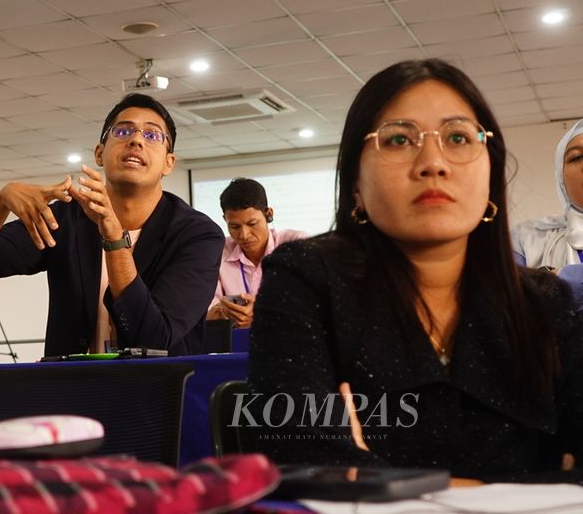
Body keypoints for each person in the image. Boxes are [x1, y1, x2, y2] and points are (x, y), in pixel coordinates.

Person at [248, 59, 583, 482]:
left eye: (458, 137)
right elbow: (298, 453)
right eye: (399, 140)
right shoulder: (305, 281)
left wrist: (379, 478)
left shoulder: (547, 305)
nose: (433, 163)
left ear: (491, 176)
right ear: (355, 184)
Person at [0, 93, 223, 357]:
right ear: (100, 153)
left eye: (151, 135)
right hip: (73, 389)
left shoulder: (197, 235)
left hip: (157, 395)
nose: (137, 140)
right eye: (123, 131)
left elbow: (153, 338)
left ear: (168, 163)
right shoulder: (68, 218)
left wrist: (114, 237)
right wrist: (0, 202)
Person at [206, 178, 306, 327]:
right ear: (225, 220)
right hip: (234, 344)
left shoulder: (296, 245)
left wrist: (262, 312)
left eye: (252, 224)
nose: (244, 235)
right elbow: (206, 311)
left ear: (268, 214)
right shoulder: (217, 251)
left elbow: (313, 302)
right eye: (234, 226)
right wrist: (227, 312)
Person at [512, 118, 583, 298]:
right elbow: (504, 296)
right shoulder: (526, 239)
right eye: (577, 157)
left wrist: (555, 278)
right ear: (561, 177)